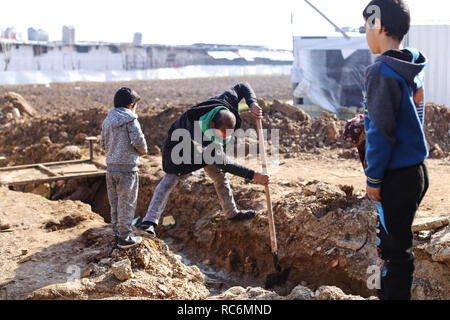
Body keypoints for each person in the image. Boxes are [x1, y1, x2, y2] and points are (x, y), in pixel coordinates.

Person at [138, 82, 269, 237]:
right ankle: (149, 222)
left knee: (219, 177)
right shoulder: (196, 130)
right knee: (170, 178)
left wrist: (252, 103)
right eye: (222, 135)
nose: (225, 139)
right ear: (213, 125)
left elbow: (242, 86)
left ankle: (231, 212)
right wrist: (254, 175)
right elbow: (223, 163)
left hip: (209, 144)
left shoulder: (226, 101)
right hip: (180, 145)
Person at [362, 0, 429, 300]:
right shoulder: (410, 65)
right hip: (416, 170)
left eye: (366, 26)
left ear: (378, 26)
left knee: (394, 251)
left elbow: (379, 132)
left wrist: (373, 179)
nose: (365, 33)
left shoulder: (380, 72)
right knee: (394, 244)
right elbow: (418, 111)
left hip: (396, 176)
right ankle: (381, 292)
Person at [101, 87, 148, 249]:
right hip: (128, 169)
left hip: (111, 169)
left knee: (115, 202)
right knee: (127, 203)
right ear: (131, 105)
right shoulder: (131, 119)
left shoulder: (107, 121)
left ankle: (116, 232)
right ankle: (125, 237)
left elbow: (103, 144)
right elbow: (138, 140)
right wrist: (142, 152)